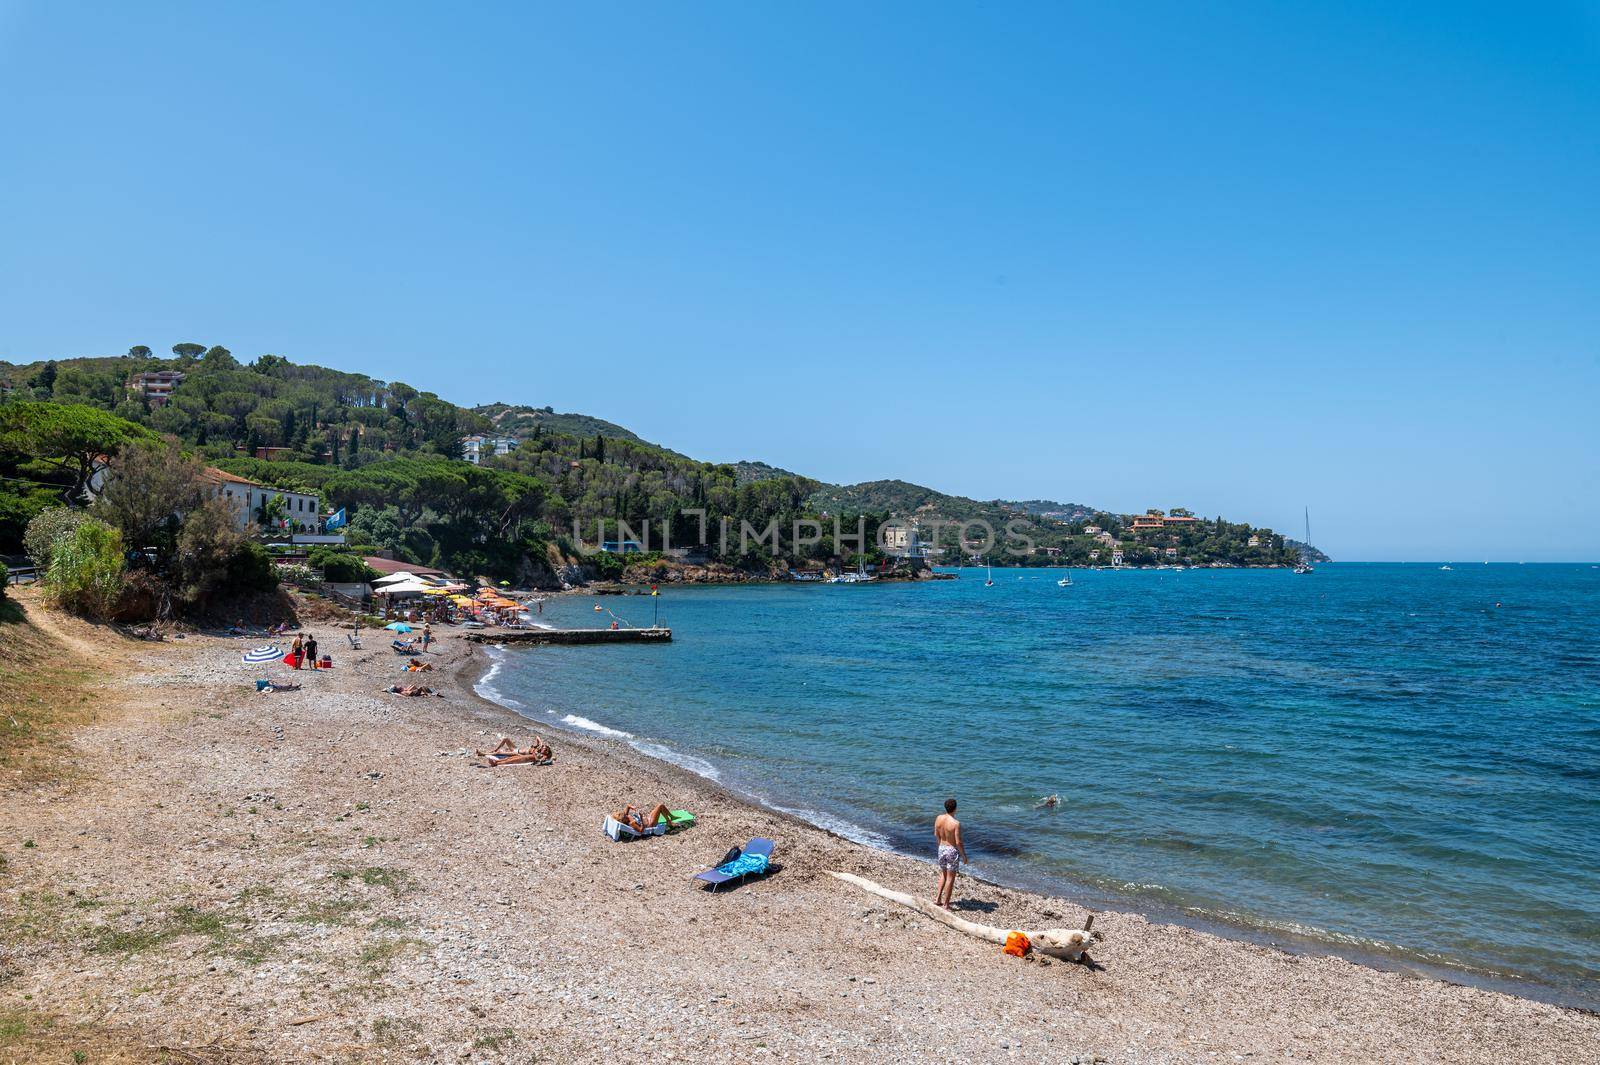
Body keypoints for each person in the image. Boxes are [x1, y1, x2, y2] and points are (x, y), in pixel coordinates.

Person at [933, 797, 967, 910]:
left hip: (941, 848)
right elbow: (958, 842)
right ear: (955, 809)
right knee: (950, 878)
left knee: (943, 874)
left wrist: (940, 846)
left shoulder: (938, 818)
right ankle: (946, 904)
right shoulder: (956, 823)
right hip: (951, 850)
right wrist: (964, 856)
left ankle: (937, 899)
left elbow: (936, 834)